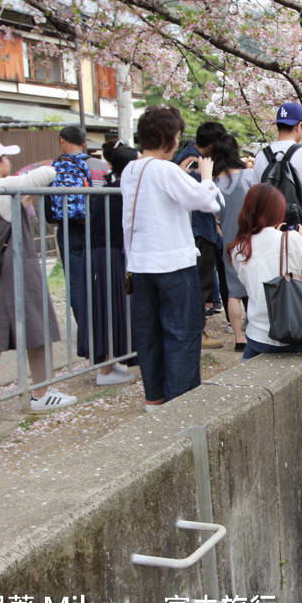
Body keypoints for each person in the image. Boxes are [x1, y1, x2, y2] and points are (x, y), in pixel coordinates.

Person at [121, 106, 224, 409]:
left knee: (150, 335)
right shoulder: (164, 170)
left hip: (141, 265)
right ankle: (180, 406)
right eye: (178, 136)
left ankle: (155, 400)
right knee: (181, 335)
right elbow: (207, 201)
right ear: (170, 138)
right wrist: (205, 176)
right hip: (174, 266)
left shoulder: (132, 169)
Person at [0, 137, 77, 426]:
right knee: (37, 326)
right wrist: (43, 166)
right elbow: (47, 175)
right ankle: (41, 393)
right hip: (14, 268)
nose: (9, 161)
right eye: (5, 157)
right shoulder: (1, 187)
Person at [228, 184, 302, 361]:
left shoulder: (239, 249)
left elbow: (249, 284)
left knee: (249, 358)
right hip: (297, 333)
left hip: (259, 335)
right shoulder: (291, 239)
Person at [252, 102, 302, 282]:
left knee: (279, 286)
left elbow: (256, 196)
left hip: (272, 232)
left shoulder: (261, 156)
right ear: (298, 126)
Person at [51, 125, 109, 359]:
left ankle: (86, 337)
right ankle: (105, 337)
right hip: (96, 229)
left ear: (61, 140)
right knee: (101, 283)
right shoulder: (100, 166)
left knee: (76, 285)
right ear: (85, 143)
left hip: (68, 229)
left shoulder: (53, 166)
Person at [85, 145, 138, 386]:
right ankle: (105, 369)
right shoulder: (122, 192)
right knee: (109, 307)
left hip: (107, 253)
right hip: (110, 254)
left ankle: (110, 360)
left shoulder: (107, 189)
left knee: (112, 306)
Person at [174, 121, 227, 349]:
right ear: (214, 143)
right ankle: (198, 332)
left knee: (199, 282)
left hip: (198, 228)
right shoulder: (193, 162)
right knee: (200, 283)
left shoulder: (187, 156)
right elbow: (202, 199)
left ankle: (196, 330)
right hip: (198, 230)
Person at [210, 133, 255, 352]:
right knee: (254, 286)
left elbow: (213, 213)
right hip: (252, 238)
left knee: (233, 291)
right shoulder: (248, 176)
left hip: (228, 240)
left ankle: (238, 338)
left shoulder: (213, 182)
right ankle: (255, 331)